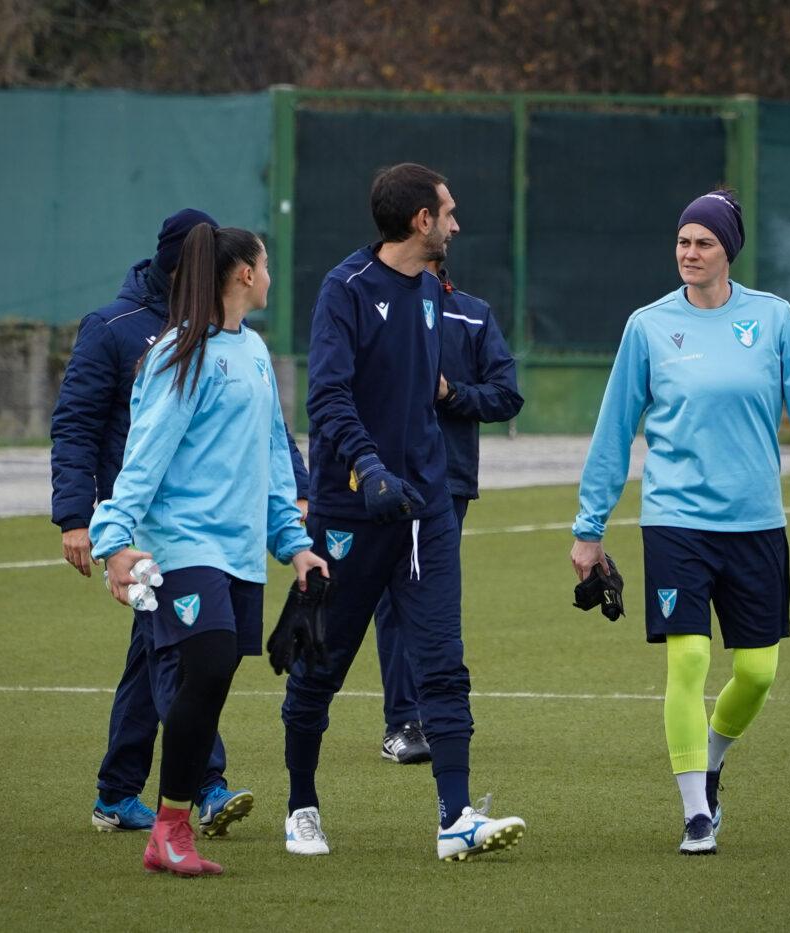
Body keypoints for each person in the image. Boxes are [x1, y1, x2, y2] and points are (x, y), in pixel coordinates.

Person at [570, 189, 790, 857]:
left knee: (757, 671)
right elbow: (614, 430)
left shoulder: (773, 319)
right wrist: (589, 526)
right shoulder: (647, 326)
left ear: (729, 251)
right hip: (676, 522)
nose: (689, 253)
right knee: (691, 657)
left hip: (756, 522)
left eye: (703, 242)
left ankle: (713, 759)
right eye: (683, 241)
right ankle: (696, 812)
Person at [282, 162, 526, 861]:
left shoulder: (428, 291)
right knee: (319, 667)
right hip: (351, 514)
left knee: (443, 664)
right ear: (422, 221)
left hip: (426, 513)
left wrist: (421, 481)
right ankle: (301, 805)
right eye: (448, 212)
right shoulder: (346, 289)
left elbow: (422, 404)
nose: (455, 224)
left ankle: (456, 817)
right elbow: (328, 398)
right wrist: (369, 467)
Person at [51, 209, 309, 836]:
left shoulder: (252, 349)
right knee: (198, 666)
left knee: (173, 666)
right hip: (170, 543)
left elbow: (273, 445)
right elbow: (113, 441)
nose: (271, 275)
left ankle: (120, 794)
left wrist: (293, 536)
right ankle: (199, 798)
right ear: (241, 273)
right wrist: (98, 529)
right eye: (266, 265)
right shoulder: (151, 342)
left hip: (235, 547)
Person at [372, 261, 523, 764]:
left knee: (427, 598)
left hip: (446, 481)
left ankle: (428, 717)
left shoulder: (472, 314)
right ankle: (403, 721)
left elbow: (506, 395)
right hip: (383, 478)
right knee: (392, 597)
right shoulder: (370, 303)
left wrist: (450, 392)